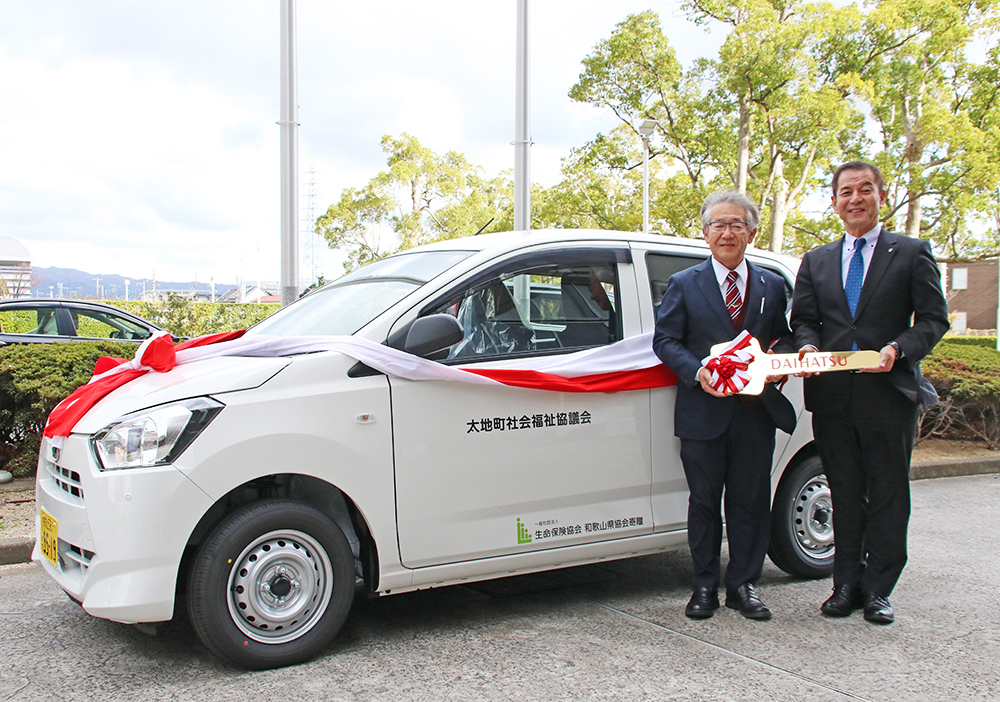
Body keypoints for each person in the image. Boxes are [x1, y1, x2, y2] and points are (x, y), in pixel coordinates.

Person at [790, 161, 949, 624]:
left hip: (889, 392)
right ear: (834, 202)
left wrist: (900, 349)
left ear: (882, 195)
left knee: (887, 495)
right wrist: (808, 346)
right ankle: (845, 585)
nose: (854, 199)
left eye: (864, 190)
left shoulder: (912, 252)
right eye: (845, 192)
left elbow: (934, 319)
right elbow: (804, 320)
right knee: (843, 492)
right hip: (834, 397)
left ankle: (879, 588)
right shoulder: (817, 260)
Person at [653, 191, 796, 621]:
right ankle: (703, 586)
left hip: (755, 413)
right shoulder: (684, 284)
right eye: (719, 224)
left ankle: (745, 586)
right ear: (705, 233)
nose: (727, 232)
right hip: (703, 412)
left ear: (751, 232)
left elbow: (784, 336)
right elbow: (665, 341)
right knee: (703, 502)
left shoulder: (771, 284)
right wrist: (697, 372)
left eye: (736, 224)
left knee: (751, 501)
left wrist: (777, 364)